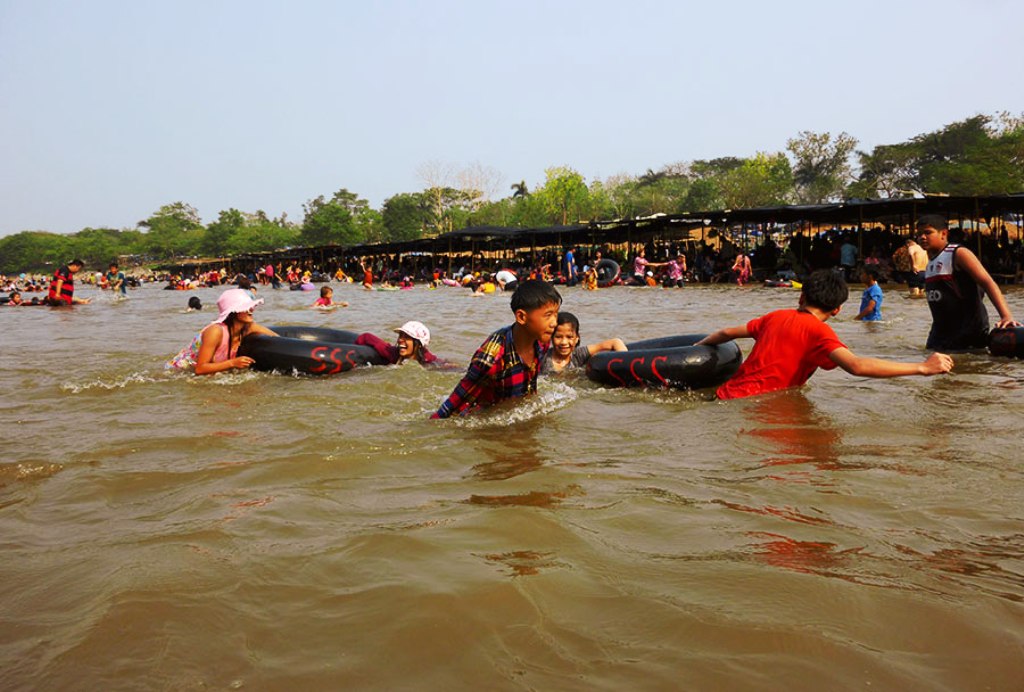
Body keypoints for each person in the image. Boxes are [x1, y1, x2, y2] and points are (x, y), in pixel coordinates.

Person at [697, 269, 953, 401]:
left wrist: (696, 348)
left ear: (801, 296)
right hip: (758, 405)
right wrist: (921, 367)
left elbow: (725, 332)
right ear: (838, 309)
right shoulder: (819, 332)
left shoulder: (774, 316)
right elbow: (856, 366)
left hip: (725, 395)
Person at [433, 279, 561, 418]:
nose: (554, 323)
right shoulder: (491, 359)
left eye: (556, 314)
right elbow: (453, 405)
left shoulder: (542, 340)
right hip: (486, 418)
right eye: (548, 315)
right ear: (521, 317)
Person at [916, 214, 1019, 350]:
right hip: (940, 334)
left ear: (943, 234)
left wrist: (1006, 316)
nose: (922, 237)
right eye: (919, 234)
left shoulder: (958, 254)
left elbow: (987, 282)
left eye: (928, 233)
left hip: (968, 333)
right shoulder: (930, 263)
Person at [167, 288, 278, 375]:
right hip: (178, 372)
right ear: (234, 312)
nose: (252, 310)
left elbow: (278, 339)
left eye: (251, 307)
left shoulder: (249, 327)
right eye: (247, 307)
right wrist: (233, 363)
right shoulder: (215, 331)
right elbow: (200, 369)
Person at [540, 312, 627, 374]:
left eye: (569, 337)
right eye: (558, 337)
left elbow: (615, 342)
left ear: (577, 338)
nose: (564, 342)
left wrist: (625, 365)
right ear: (551, 337)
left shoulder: (578, 354)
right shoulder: (543, 357)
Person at [355, 320, 445, 367]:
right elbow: (367, 337)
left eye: (406, 337)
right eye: (401, 336)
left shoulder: (428, 360)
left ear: (419, 344)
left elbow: (446, 366)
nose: (400, 340)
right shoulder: (393, 353)